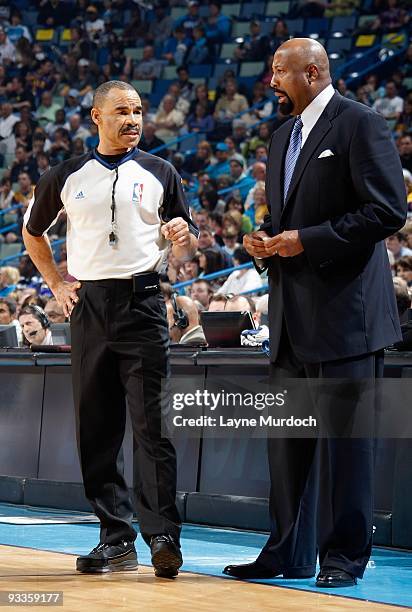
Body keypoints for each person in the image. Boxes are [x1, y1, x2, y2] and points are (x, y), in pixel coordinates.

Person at [224, 38, 407, 588]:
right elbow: (288, 227)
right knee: (288, 451)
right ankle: (286, 553)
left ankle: (344, 558)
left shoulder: (360, 124)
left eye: (279, 71)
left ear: (312, 71)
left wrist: (306, 240)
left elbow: (387, 210)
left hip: (347, 318)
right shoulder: (282, 136)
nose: (271, 80)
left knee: (347, 450)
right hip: (290, 320)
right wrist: (267, 248)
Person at [22, 80, 199, 577]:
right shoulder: (65, 175)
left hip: (143, 304)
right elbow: (33, 234)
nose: (133, 119)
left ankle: (164, 536)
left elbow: (185, 243)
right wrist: (57, 285)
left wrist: (181, 237)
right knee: (96, 430)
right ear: (96, 117)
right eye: (122, 111)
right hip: (90, 307)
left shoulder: (161, 171)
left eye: (139, 111)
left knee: (152, 428)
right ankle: (115, 539)